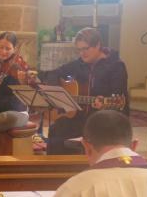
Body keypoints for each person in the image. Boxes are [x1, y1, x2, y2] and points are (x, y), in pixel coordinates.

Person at [38, 27, 129, 155]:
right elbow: (53, 74)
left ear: (98, 45)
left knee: (89, 135)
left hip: (103, 120)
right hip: (79, 118)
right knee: (56, 130)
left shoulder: (116, 66)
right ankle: (57, 167)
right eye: (79, 50)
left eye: (85, 49)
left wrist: (104, 106)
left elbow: (119, 99)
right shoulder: (79, 64)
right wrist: (59, 94)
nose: (82, 53)